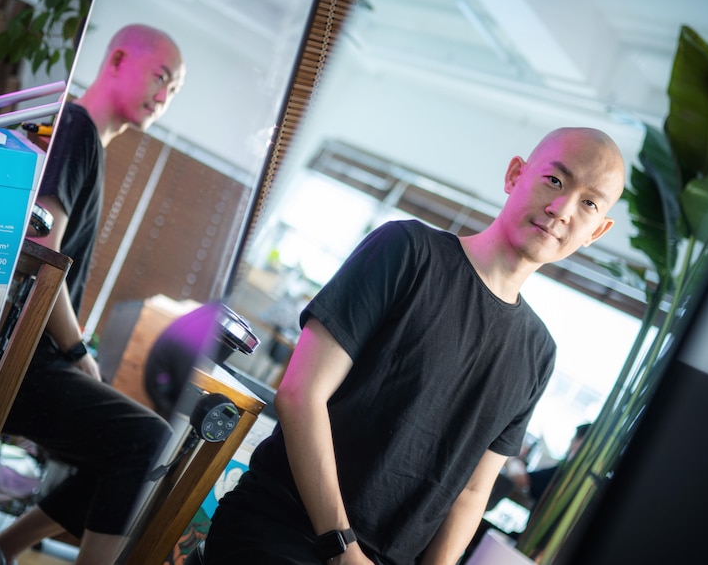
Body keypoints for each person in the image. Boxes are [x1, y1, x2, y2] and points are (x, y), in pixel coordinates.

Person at [203, 126, 626, 565]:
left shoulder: (539, 353)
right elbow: (300, 394)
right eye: (554, 181)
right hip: (285, 529)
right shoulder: (406, 250)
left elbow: (472, 492)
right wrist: (342, 548)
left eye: (589, 203)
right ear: (516, 174)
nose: (562, 209)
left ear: (597, 230)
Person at [0, 24, 185, 565]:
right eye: (161, 76)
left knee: (132, 451)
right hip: (19, 362)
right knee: (147, 443)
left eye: (174, 90)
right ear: (118, 59)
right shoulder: (77, 128)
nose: (164, 95)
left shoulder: (83, 138)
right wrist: (79, 353)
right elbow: (41, 248)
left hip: (33, 358)